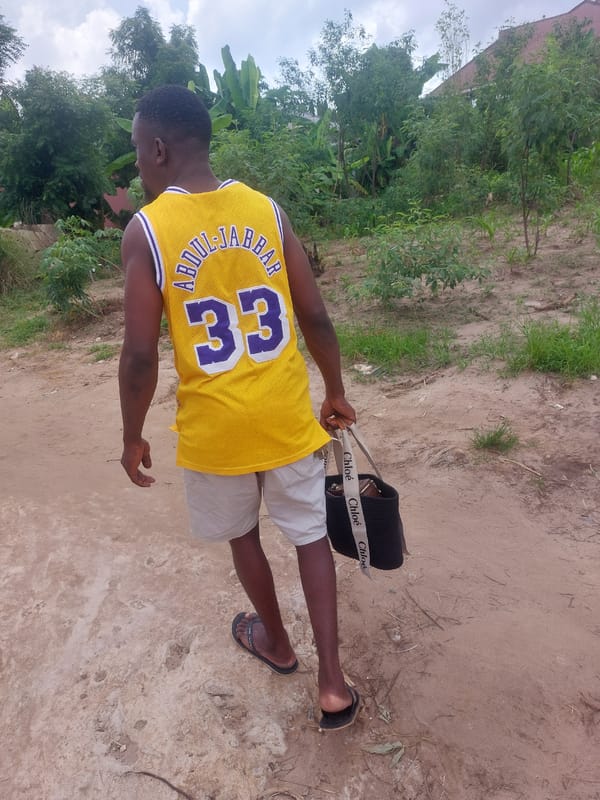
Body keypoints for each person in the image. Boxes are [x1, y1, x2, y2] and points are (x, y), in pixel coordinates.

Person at [118, 84, 359, 732]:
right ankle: (332, 684)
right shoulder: (265, 209)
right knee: (310, 535)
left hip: (216, 429)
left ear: (160, 150)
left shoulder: (147, 230)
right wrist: (334, 391)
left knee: (243, 534)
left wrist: (132, 435)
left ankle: (276, 644)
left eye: (138, 152)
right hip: (284, 414)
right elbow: (313, 312)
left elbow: (140, 356)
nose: (139, 166)